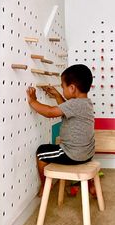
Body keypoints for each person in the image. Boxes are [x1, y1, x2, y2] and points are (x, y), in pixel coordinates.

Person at [26, 64, 95, 196]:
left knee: (41, 152)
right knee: (55, 148)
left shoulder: (74, 104)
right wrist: (57, 95)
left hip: (73, 155)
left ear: (72, 88)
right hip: (88, 154)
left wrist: (33, 101)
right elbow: (66, 109)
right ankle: (90, 185)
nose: (62, 89)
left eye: (62, 87)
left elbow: (50, 112)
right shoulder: (86, 103)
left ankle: (46, 184)